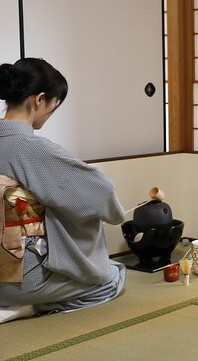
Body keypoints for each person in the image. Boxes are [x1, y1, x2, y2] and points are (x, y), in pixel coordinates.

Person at [0, 58, 126, 321]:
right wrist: (115, 214)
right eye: (54, 105)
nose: (51, 112)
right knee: (111, 277)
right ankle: (30, 307)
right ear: (40, 99)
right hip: (18, 281)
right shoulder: (33, 151)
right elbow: (102, 193)